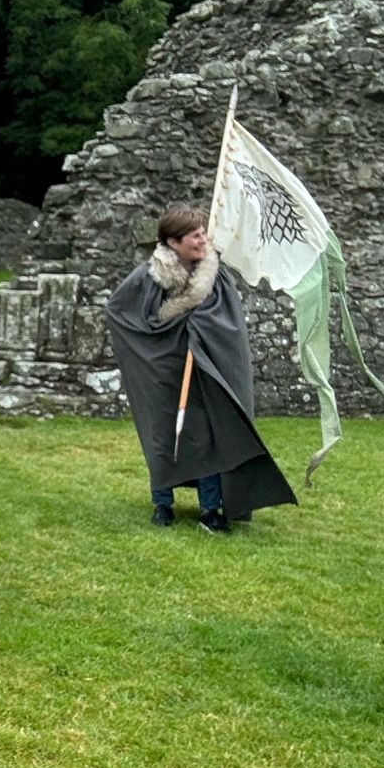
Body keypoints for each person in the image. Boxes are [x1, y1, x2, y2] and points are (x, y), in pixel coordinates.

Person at [105, 206, 296, 533]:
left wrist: (202, 328)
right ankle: (162, 503)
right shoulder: (148, 276)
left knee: (206, 437)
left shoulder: (215, 277)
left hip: (204, 369)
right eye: (195, 235)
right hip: (162, 374)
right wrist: (161, 340)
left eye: (203, 232)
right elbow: (120, 314)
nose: (203, 240)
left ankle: (210, 508)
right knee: (163, 435)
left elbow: (229, 325)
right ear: (172, 242)